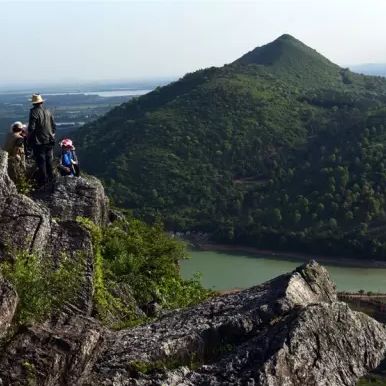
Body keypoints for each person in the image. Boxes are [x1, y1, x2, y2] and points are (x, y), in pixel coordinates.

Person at [28, 94, 56, 186]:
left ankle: (43, 183)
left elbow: (31, 128)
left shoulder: (34, 112)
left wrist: (29, 139)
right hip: (50, 140)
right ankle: (52, 180)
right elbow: (53, 126)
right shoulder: (48, 111)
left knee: (41, 162)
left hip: (39, 142)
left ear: (33, 103)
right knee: (49, 161)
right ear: (42, 102)